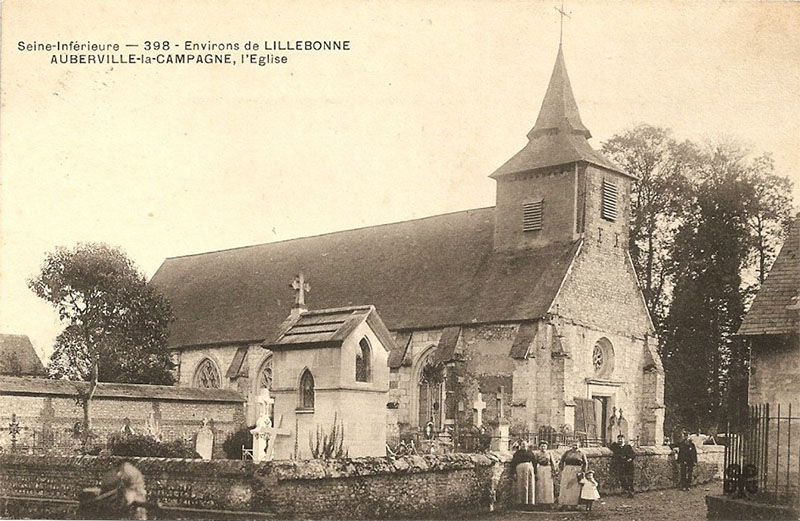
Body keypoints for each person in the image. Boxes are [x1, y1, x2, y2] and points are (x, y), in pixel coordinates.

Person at [558, 442, 587, 510]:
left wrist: (583, 472)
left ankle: (573, 505)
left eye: (576, 445)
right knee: (565, 486)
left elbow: (585, 463)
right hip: (567, 470)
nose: (575, 446)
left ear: (579, 445)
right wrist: (562, 468)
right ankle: (564, 504)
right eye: (573, 445)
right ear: (571, 445)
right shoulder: (567, 452)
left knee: (575, 488)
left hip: (577, 470)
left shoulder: (581, 453)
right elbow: (562, 461)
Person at [511, 440, 536, 510]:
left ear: (527, 445)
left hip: (529, 469)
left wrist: (535, 472)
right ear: (520, 446)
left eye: (525, 444)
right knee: (520, 485)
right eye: (522, 444)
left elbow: (534, 462)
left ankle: (530, 503)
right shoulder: (517, 453)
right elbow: (513, 463)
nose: (524, 446)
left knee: (529, 485)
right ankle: (520, 503)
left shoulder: (530, 453)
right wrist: (514, 473)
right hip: (519, 469)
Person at [533, 441, 556, 508]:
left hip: (548, 469)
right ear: (539, 447)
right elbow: (535, 464)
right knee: (540, 485)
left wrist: (554, 471)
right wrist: (535, 473)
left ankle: (548, 503)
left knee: (548, 486)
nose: (543, 447)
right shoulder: (537, 454)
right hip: (540, 469)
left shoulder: (549, 453)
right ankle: (540, 502)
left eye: (544, 446)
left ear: (546, 447)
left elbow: (553, 462)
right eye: (541, 446)